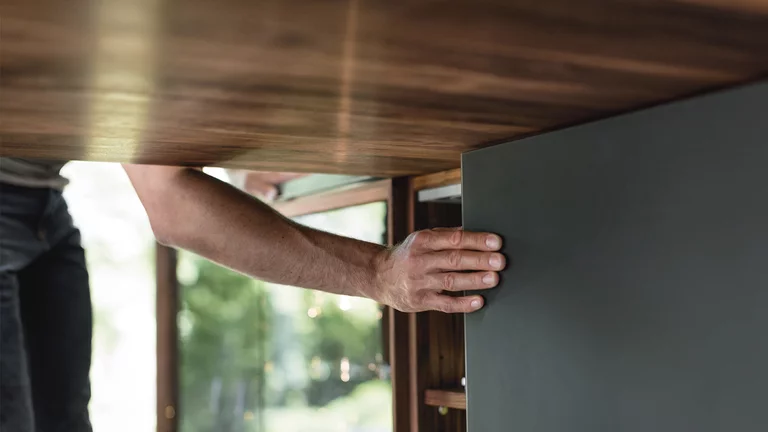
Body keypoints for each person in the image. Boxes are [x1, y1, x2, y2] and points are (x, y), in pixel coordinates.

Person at [0, 158, 506, 431]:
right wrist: (380, 274)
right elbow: (171, 202)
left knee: (62, 421)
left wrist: (236, 162)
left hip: (42, 203)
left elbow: (160, 164)